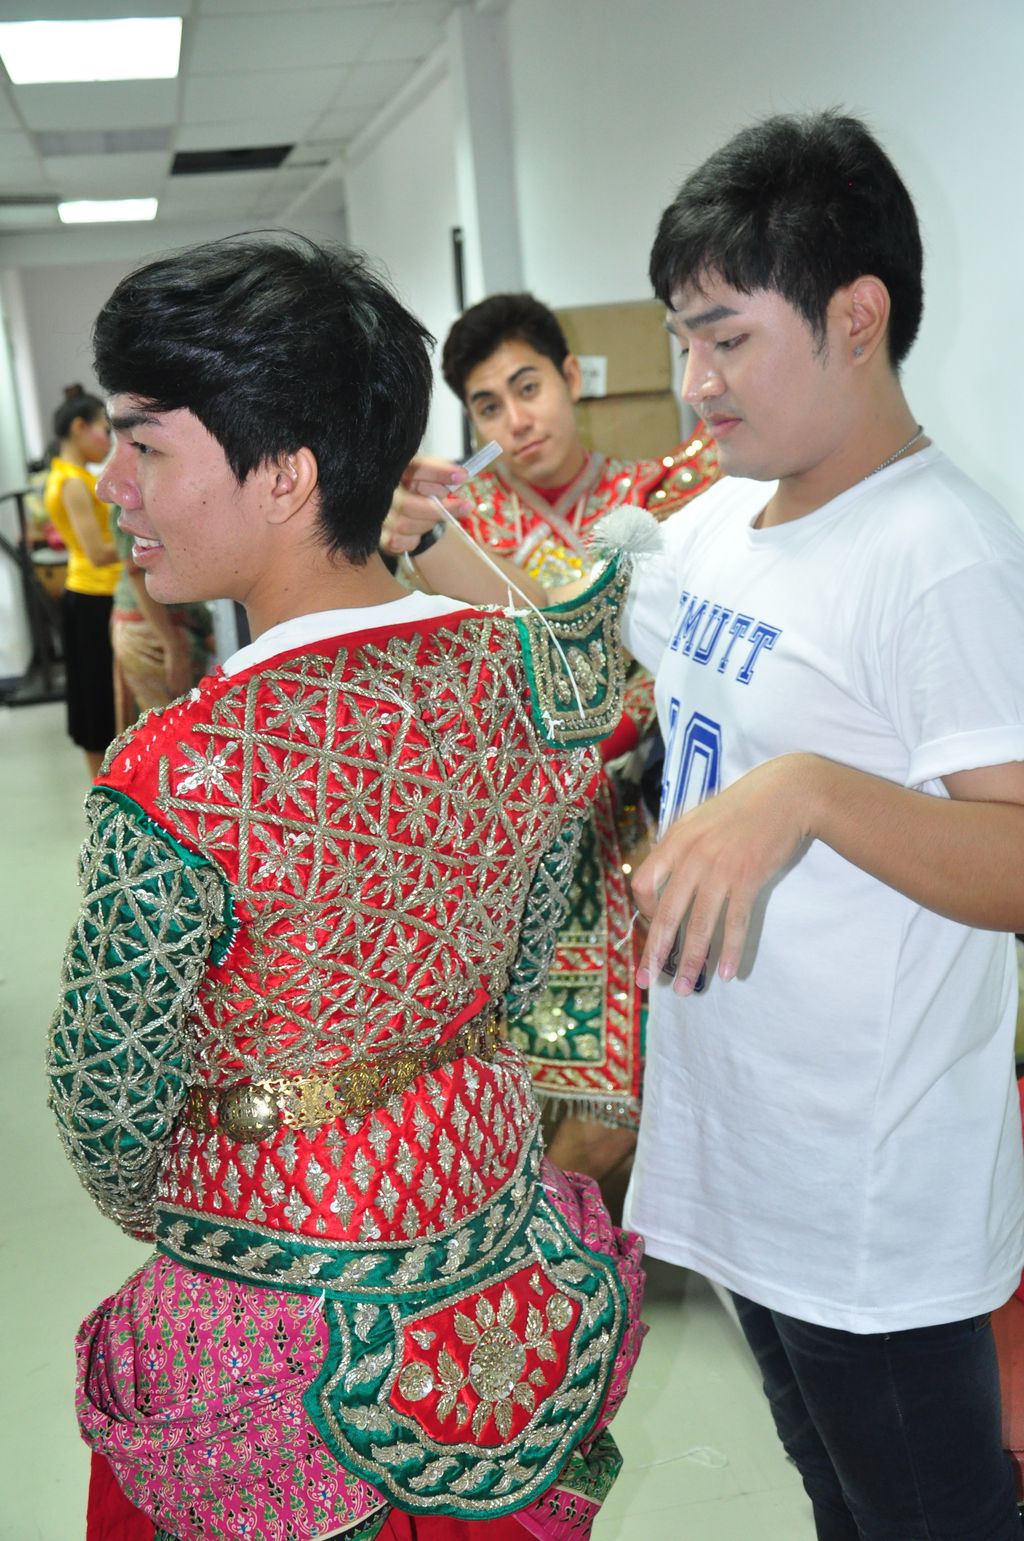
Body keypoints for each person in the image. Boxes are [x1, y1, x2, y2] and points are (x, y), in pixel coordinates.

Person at [46, 234, 646, 1541]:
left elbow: (106, 1100)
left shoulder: (178, 772)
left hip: (277, 1335)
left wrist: (229, 1187)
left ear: (285, 472)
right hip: (502, 1260)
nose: (115, 483)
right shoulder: (520, 681)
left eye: (147, 445)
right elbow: (525, 955)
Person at [621, 111, 1024, 1540]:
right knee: (840, 1507)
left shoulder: (940, 555)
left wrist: (807, 795)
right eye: (683, 339)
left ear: (857, 317)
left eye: (727, 337)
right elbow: (611, 662)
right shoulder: (726, 522)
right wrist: (437, 547)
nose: (696, 381)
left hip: (869, 1186)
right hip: (748, 1147)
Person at [381, 293, 718, 1190]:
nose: (516, 420)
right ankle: (535, 1246)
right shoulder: (455, 519)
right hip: (509, 852)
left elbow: (634, 664)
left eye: (528, 387)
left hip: (633, 831)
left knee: (616, 1110)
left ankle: (556, 1249)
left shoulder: (655, 498)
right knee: (503, 1098)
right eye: (488, 405)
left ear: (571, 378)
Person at [42, 391, 120, 775]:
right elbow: (98, 553)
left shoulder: (73, 475)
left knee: (100, 698)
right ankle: (103, 789)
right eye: (104, 430)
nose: (108, 440)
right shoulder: (73, 482)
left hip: (92, 594)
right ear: (79, 427)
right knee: (98, 703)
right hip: (94, 595)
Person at [109, 514, 213, 733]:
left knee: (178, 724)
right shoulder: (131, 501)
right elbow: (137, 572)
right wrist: (173, 648)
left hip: (168, 624)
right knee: (171, 729)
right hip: (154, 629)